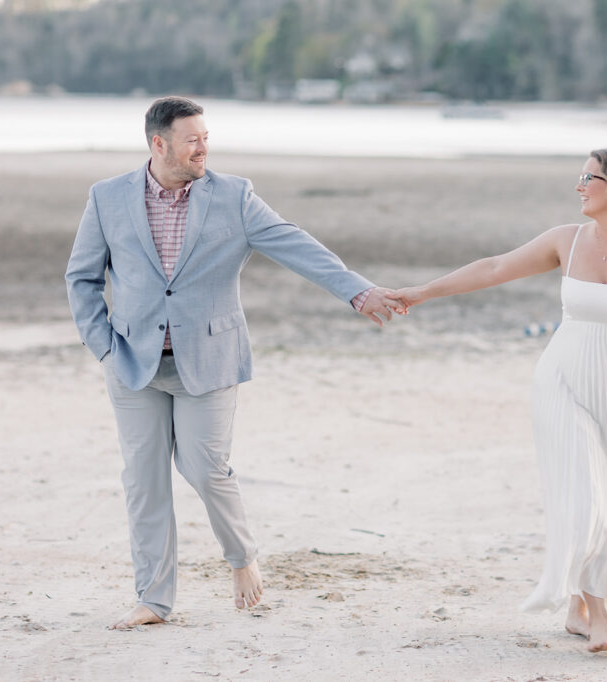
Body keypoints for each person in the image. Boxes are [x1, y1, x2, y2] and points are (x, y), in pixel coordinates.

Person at [65, 96, 402, 630]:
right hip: (133, 363)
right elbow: (81, 277)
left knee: (204, 467)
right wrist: (103, 344)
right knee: (144, 480)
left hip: (209, 360)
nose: (204, 146)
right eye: (192, 138)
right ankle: (153, 600)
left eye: (206, 136)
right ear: (159, 144)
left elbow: (297, 245)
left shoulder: (235, 196)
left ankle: (241, 557)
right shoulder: (107, 198)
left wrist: (358, 293)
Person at [391, 148, 607, 651]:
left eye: (588, 177)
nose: (579, 186)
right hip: (561, 379)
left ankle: (578, 608)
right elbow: (493, 268)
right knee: (585, 492)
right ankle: (598, 617)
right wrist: (419, 292)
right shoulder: (566, 241)